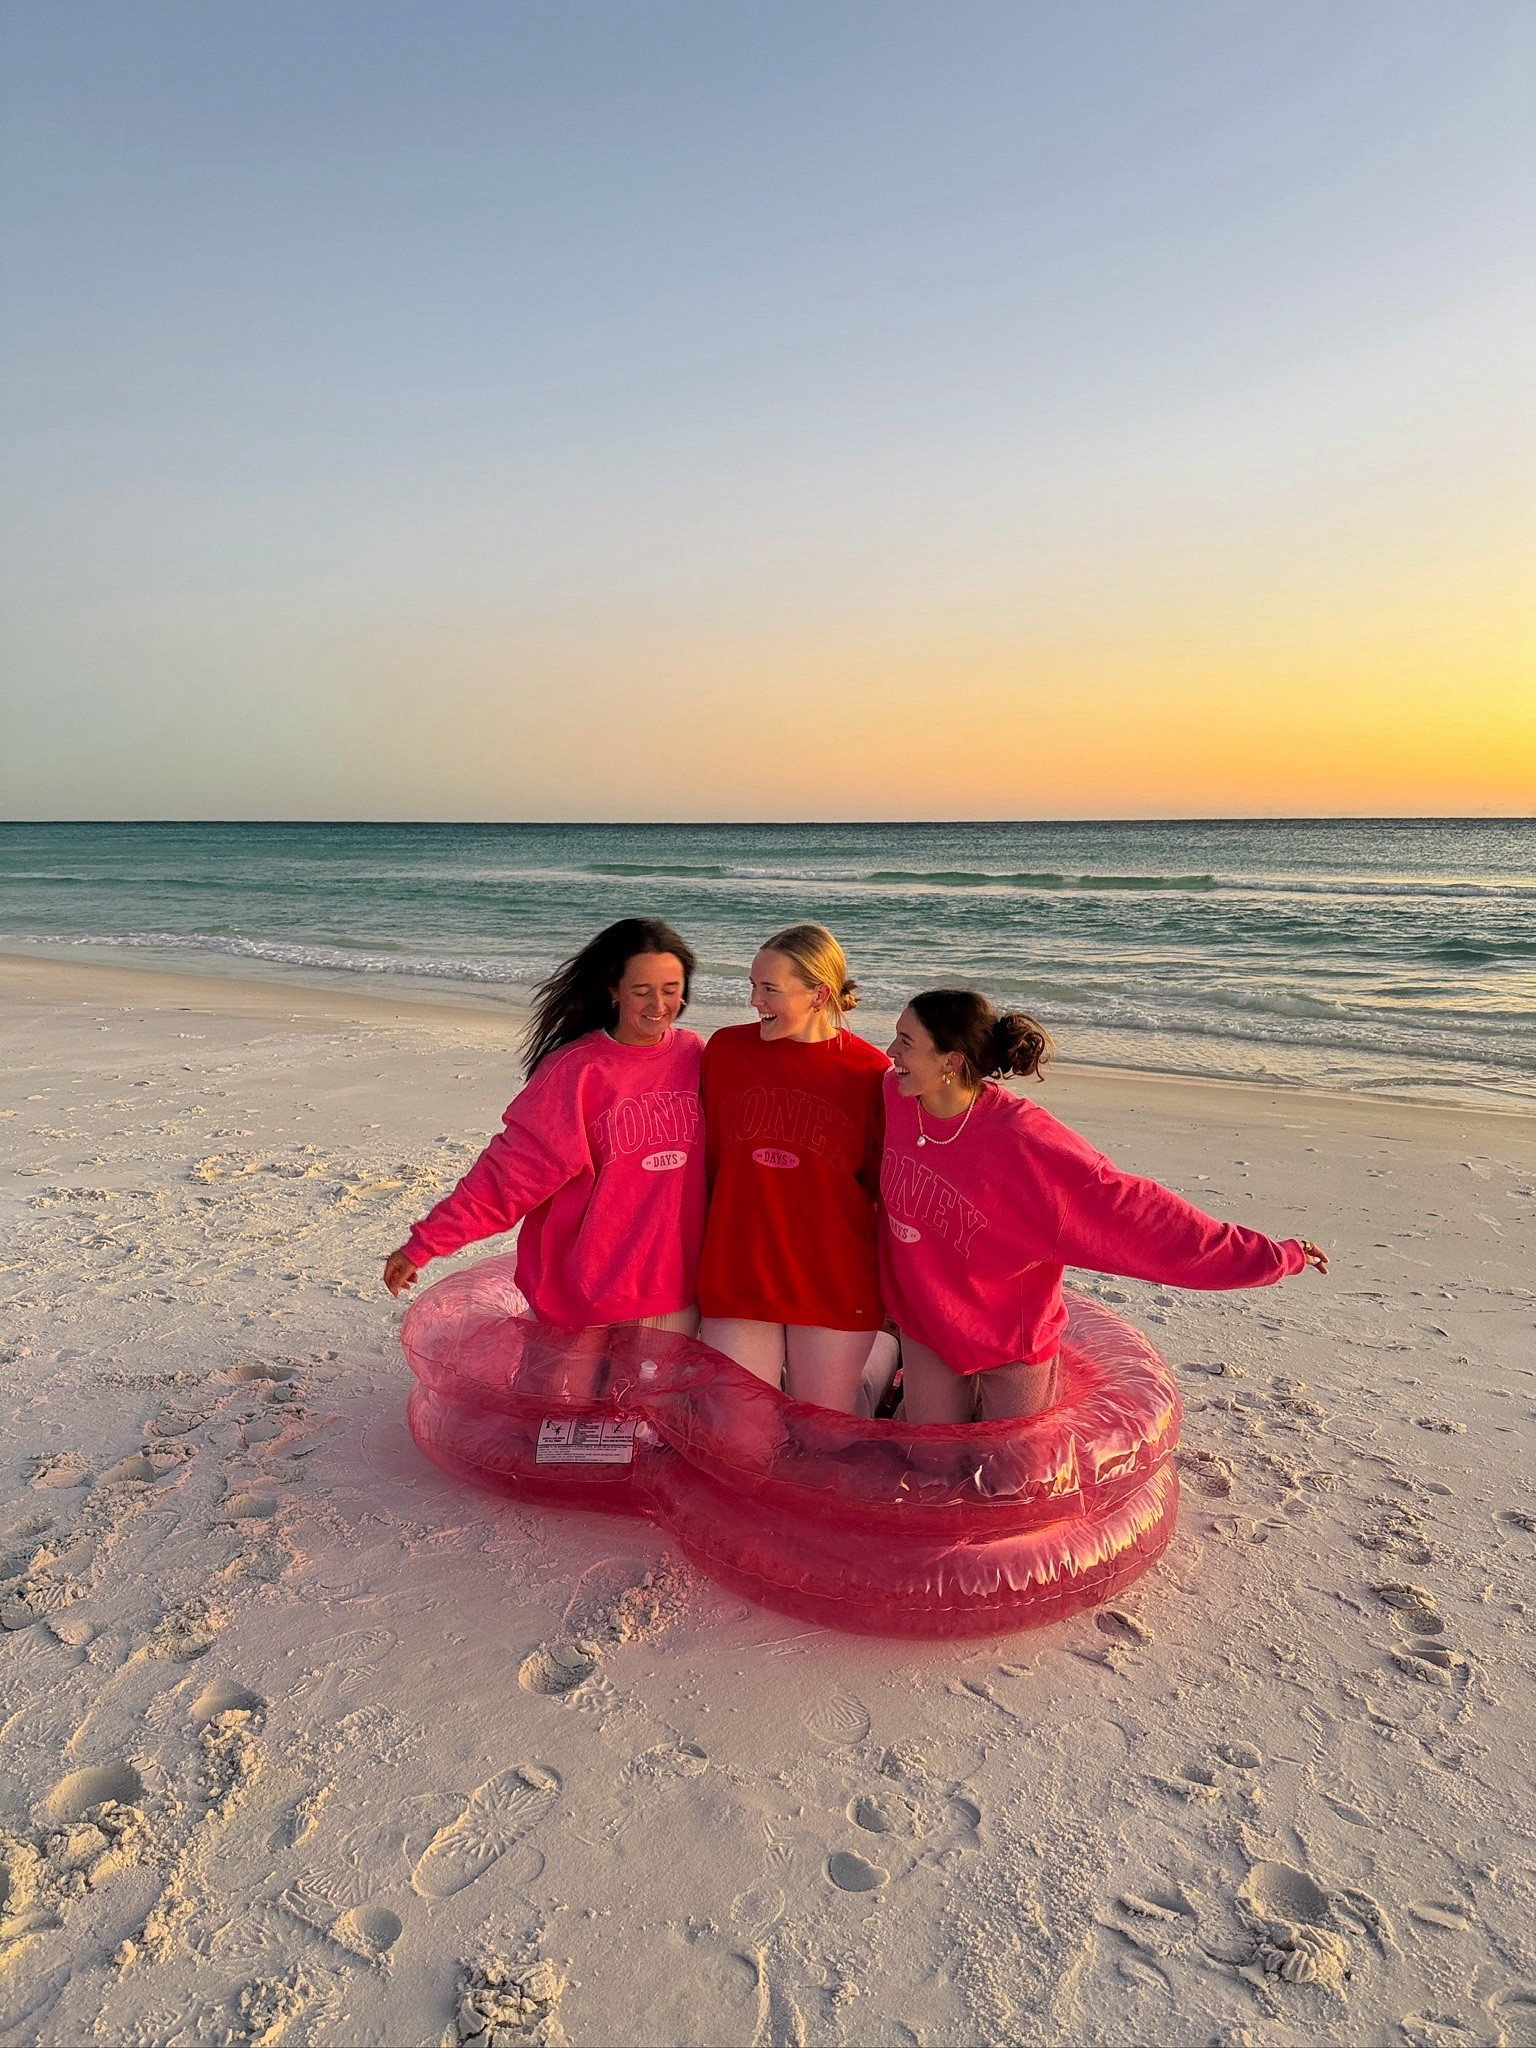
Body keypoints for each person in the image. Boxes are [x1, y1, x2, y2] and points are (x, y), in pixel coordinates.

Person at [880, 988, 1328, 1424]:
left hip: (1009, 1342)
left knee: (1010, 1475)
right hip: (928, 1328)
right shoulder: (894, 1099)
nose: (890, 1050)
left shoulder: (1023, 1140)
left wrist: (1276, 1255)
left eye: (905, 1041)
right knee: (929, 1459)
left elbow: (1137, 1214)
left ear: (951, 1061)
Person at [382, 918, 705, 1342]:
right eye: (641, 991)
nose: (658, 1005)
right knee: (568, 1406)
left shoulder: (697, 1056)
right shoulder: (575, 1072)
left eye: (671, 989)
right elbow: (507, 1177)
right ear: (614, 990)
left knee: (650, 1405)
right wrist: (425, 1243)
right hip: (590, 1288)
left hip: (673, 1287)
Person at [696, 923, 890, 1413]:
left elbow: (886, 1187)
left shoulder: (870, 1074)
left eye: (769, 990)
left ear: (819, 994)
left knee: (826, 1434)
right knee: (742, 1441)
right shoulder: (724, 1051)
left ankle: (885, 1356)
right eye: (752, 986)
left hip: (832, 1275)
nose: (754, 1001)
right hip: (740, 1270)